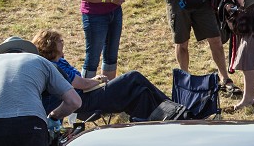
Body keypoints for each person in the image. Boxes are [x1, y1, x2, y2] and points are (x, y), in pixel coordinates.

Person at [30, 30, 173, 125]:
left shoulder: (59, 60)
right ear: (50, 46)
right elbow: (80, 84)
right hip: (84, 102)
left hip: (88, 94)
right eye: (60, 41)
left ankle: (165, 116)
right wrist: (97, 80)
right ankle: (171, 106)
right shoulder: (52, 67)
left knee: (140, 93)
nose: (63, 43)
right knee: (133, 77)